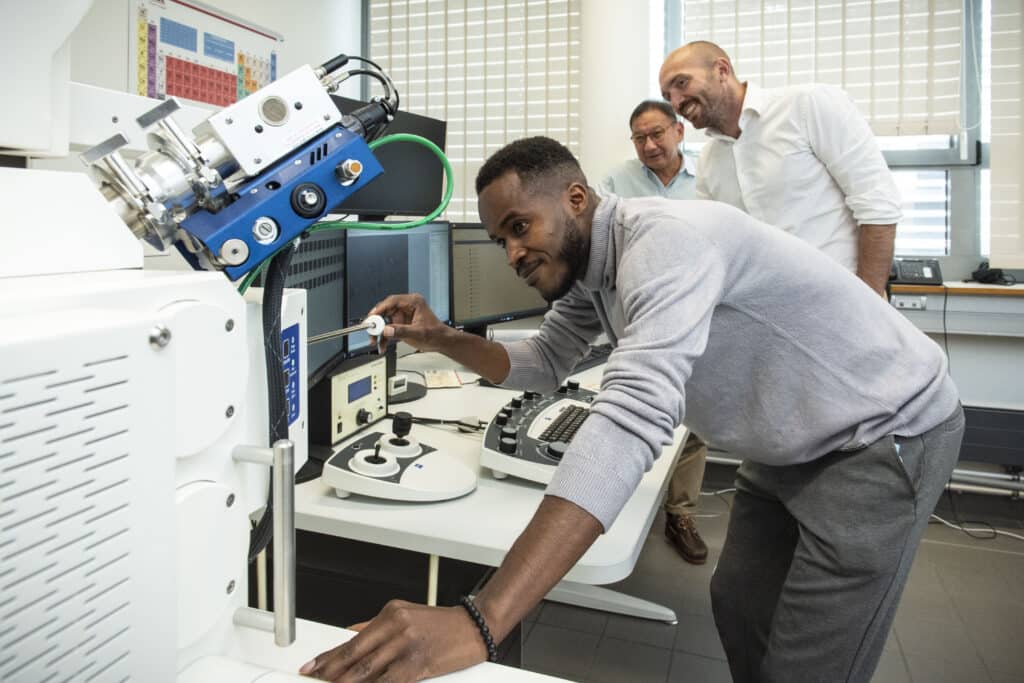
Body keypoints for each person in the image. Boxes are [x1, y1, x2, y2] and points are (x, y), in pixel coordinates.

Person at [300, 137, 963, 683]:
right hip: (790, 440)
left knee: (809, 661)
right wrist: (441, 337)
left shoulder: (665, 242)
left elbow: (634, 418)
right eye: (500, 238)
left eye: (518, 227)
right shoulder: (598, 264)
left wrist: (482, 618)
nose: (512, 254)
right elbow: (547, 360)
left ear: (576, 198)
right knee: (739, 607)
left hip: (884, 431)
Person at [659, 41, 901, 295]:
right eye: (667, 96)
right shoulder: (709, 159)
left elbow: (878, 205)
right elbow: (716, 245)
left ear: (722, 70)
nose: (676, 103)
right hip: (766, 314)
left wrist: (868, 304)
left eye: (681, 83)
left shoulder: (808, 105)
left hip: (840, 302)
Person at [599, 99, 708, 565]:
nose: (649, 145)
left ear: (679, 131)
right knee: (628, 408)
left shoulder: (710, 180)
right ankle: (612, 510)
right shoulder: (614, 183)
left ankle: (680, 513)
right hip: (635, 312)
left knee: (695, 419)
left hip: (698, 310)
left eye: (657, 134)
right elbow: (599, 245)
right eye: (639, 138)